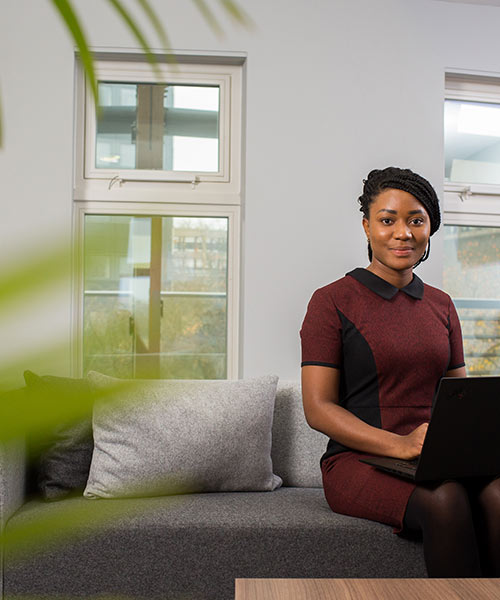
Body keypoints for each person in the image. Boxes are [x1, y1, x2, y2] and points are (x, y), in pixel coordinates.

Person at [300, 167, 500, 578]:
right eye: (387, 220)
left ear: (430, 229)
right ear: (367, 226)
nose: (402, 233)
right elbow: (318, 410)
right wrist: (401, 445)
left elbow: (459, 400)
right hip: (358, 462)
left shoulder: (442, 305)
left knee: (499, 495)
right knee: (446, 500)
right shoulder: (331, 301)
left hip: (435, 457)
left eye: (416, 220)